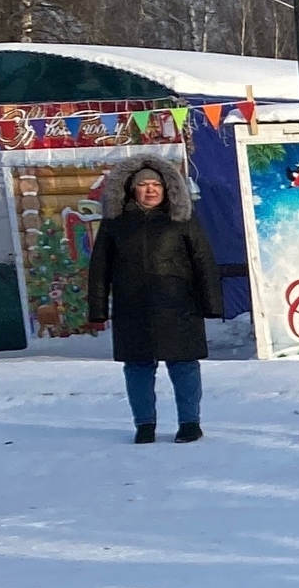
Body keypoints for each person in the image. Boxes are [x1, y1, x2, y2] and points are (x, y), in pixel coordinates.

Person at [87, 157, 219, 444]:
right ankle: (144, 425)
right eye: (143, 185)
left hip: (179, 307)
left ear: (167, 187)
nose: (150, 190)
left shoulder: (182, 219)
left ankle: (190, 423)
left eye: (156, 184)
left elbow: (203, 261)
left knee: (184, 366)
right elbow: (100, 268)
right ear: (131, 189)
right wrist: (97, 309)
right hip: (132, 309)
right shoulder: (115, 224)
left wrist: (212, 303)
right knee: (137, 369)